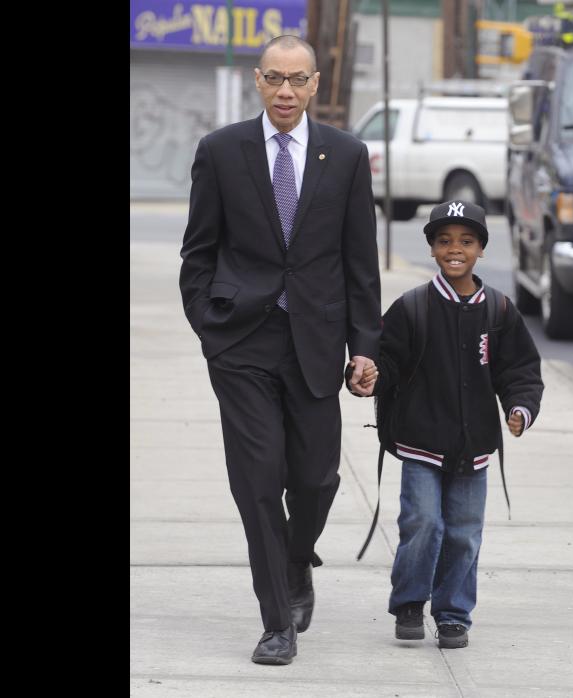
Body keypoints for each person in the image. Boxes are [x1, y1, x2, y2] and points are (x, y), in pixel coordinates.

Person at [179, 35, 381, 665]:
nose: (286, 91)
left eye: (298, 80)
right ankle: (276, 624)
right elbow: (198, 252)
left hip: (317, 343)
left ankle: (298, 559)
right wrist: (209, 328)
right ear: (258, 82)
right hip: (242, 344)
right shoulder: (221, 151)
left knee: (317, 480)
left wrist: (365, 347)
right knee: (259, 484)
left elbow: (359, 261)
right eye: (274, 79)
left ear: (316, 84)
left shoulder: (345, 155)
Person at [359, 200, 543, 649]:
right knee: (423, 522)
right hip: (421, 440)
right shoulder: (412, 308)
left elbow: (519, 370)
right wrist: (371, 375)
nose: (454, 249)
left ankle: (453, 613)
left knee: (463, 532)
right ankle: (408, 602)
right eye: (444, 241)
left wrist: (520, 408)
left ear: (481, 248)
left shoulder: (499, 311)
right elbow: (389, 361)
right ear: (432, 248)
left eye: (466, 241)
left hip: (474, 445)